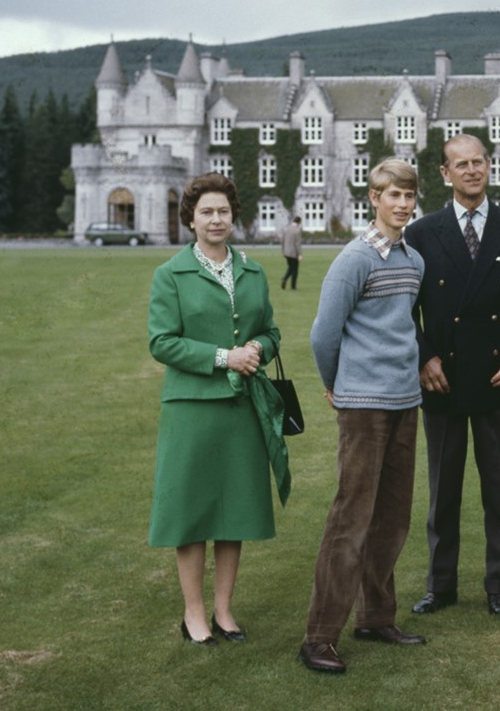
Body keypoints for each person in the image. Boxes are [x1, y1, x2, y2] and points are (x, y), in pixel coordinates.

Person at [403, 135, 500, 618]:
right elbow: (405, 309)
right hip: (441, 379)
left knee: (499, 491)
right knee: (442, 491)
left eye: (478, 162)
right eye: (460, 165)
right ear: (444, 174)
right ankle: (440, 586)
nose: (471, 171)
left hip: (497, 378)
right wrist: (424, 358)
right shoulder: (422, 233)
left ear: (490, 166)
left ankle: (499, 585)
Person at [147, 172, 290, 646]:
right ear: (191, 218)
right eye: (206, 212)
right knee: (192, 514)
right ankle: (193, 615)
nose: (215, 220)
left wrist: (256, 348)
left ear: (234, 217)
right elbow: (161, 342)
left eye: (223, 212)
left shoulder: (252, 271)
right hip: (191, 410)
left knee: (236, 512)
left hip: (242, 409)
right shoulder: (170, 274)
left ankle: (225, 612)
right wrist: (222, 357)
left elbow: (271, 332)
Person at [298, 159, 426, 674]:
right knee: (350, 518)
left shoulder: (413, 260)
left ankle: (375, 617)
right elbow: (322, 334)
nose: (401, 204)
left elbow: (404, 328)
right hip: (363, 406)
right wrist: (335, 385)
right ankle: (319, 636)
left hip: (405, 400)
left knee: (392, 518)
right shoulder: (354, 259)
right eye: (392, 194)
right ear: (373, 198)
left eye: (409, 196)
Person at [280, 216, 303, 290]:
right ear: (299, 222)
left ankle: (291, 285)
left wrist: (283, 251)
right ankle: (287, 280)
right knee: (294, 269)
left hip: (286, 252)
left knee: (291, 267)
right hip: (294, 253)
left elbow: (283, 241)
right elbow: (297, 243)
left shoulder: (286, 229)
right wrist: (299, 254)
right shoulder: (297, 230)